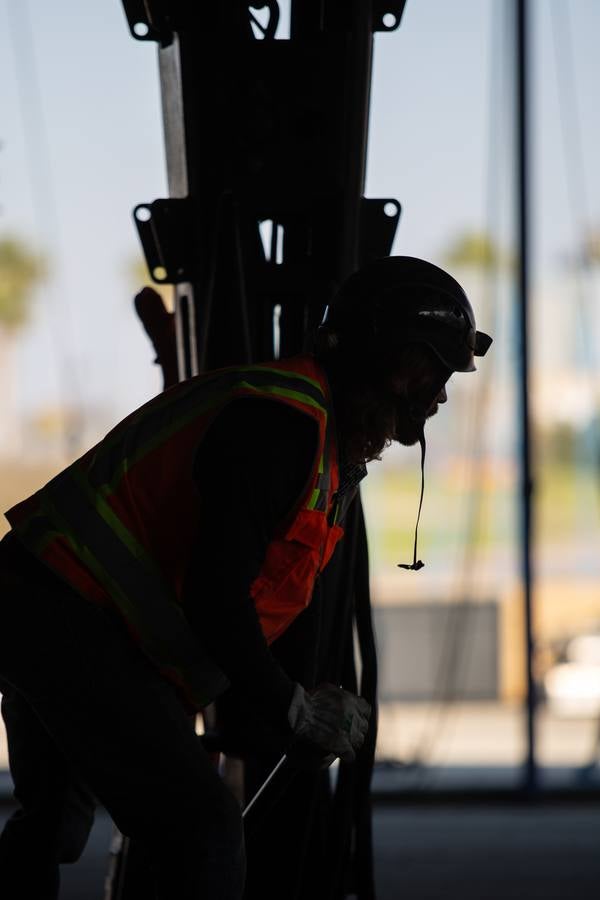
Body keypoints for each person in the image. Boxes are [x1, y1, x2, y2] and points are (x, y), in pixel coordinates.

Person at [0, 255, 490, 899]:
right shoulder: (280, 426)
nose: (440, 392)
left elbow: (243, 604)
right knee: (201, 832)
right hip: (68, 618)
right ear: (383, 357)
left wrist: (286, 708)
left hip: (56, 612)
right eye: (431, 369)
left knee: (56, 825)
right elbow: (214, 596)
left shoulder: (319, 445)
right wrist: (293, 711)